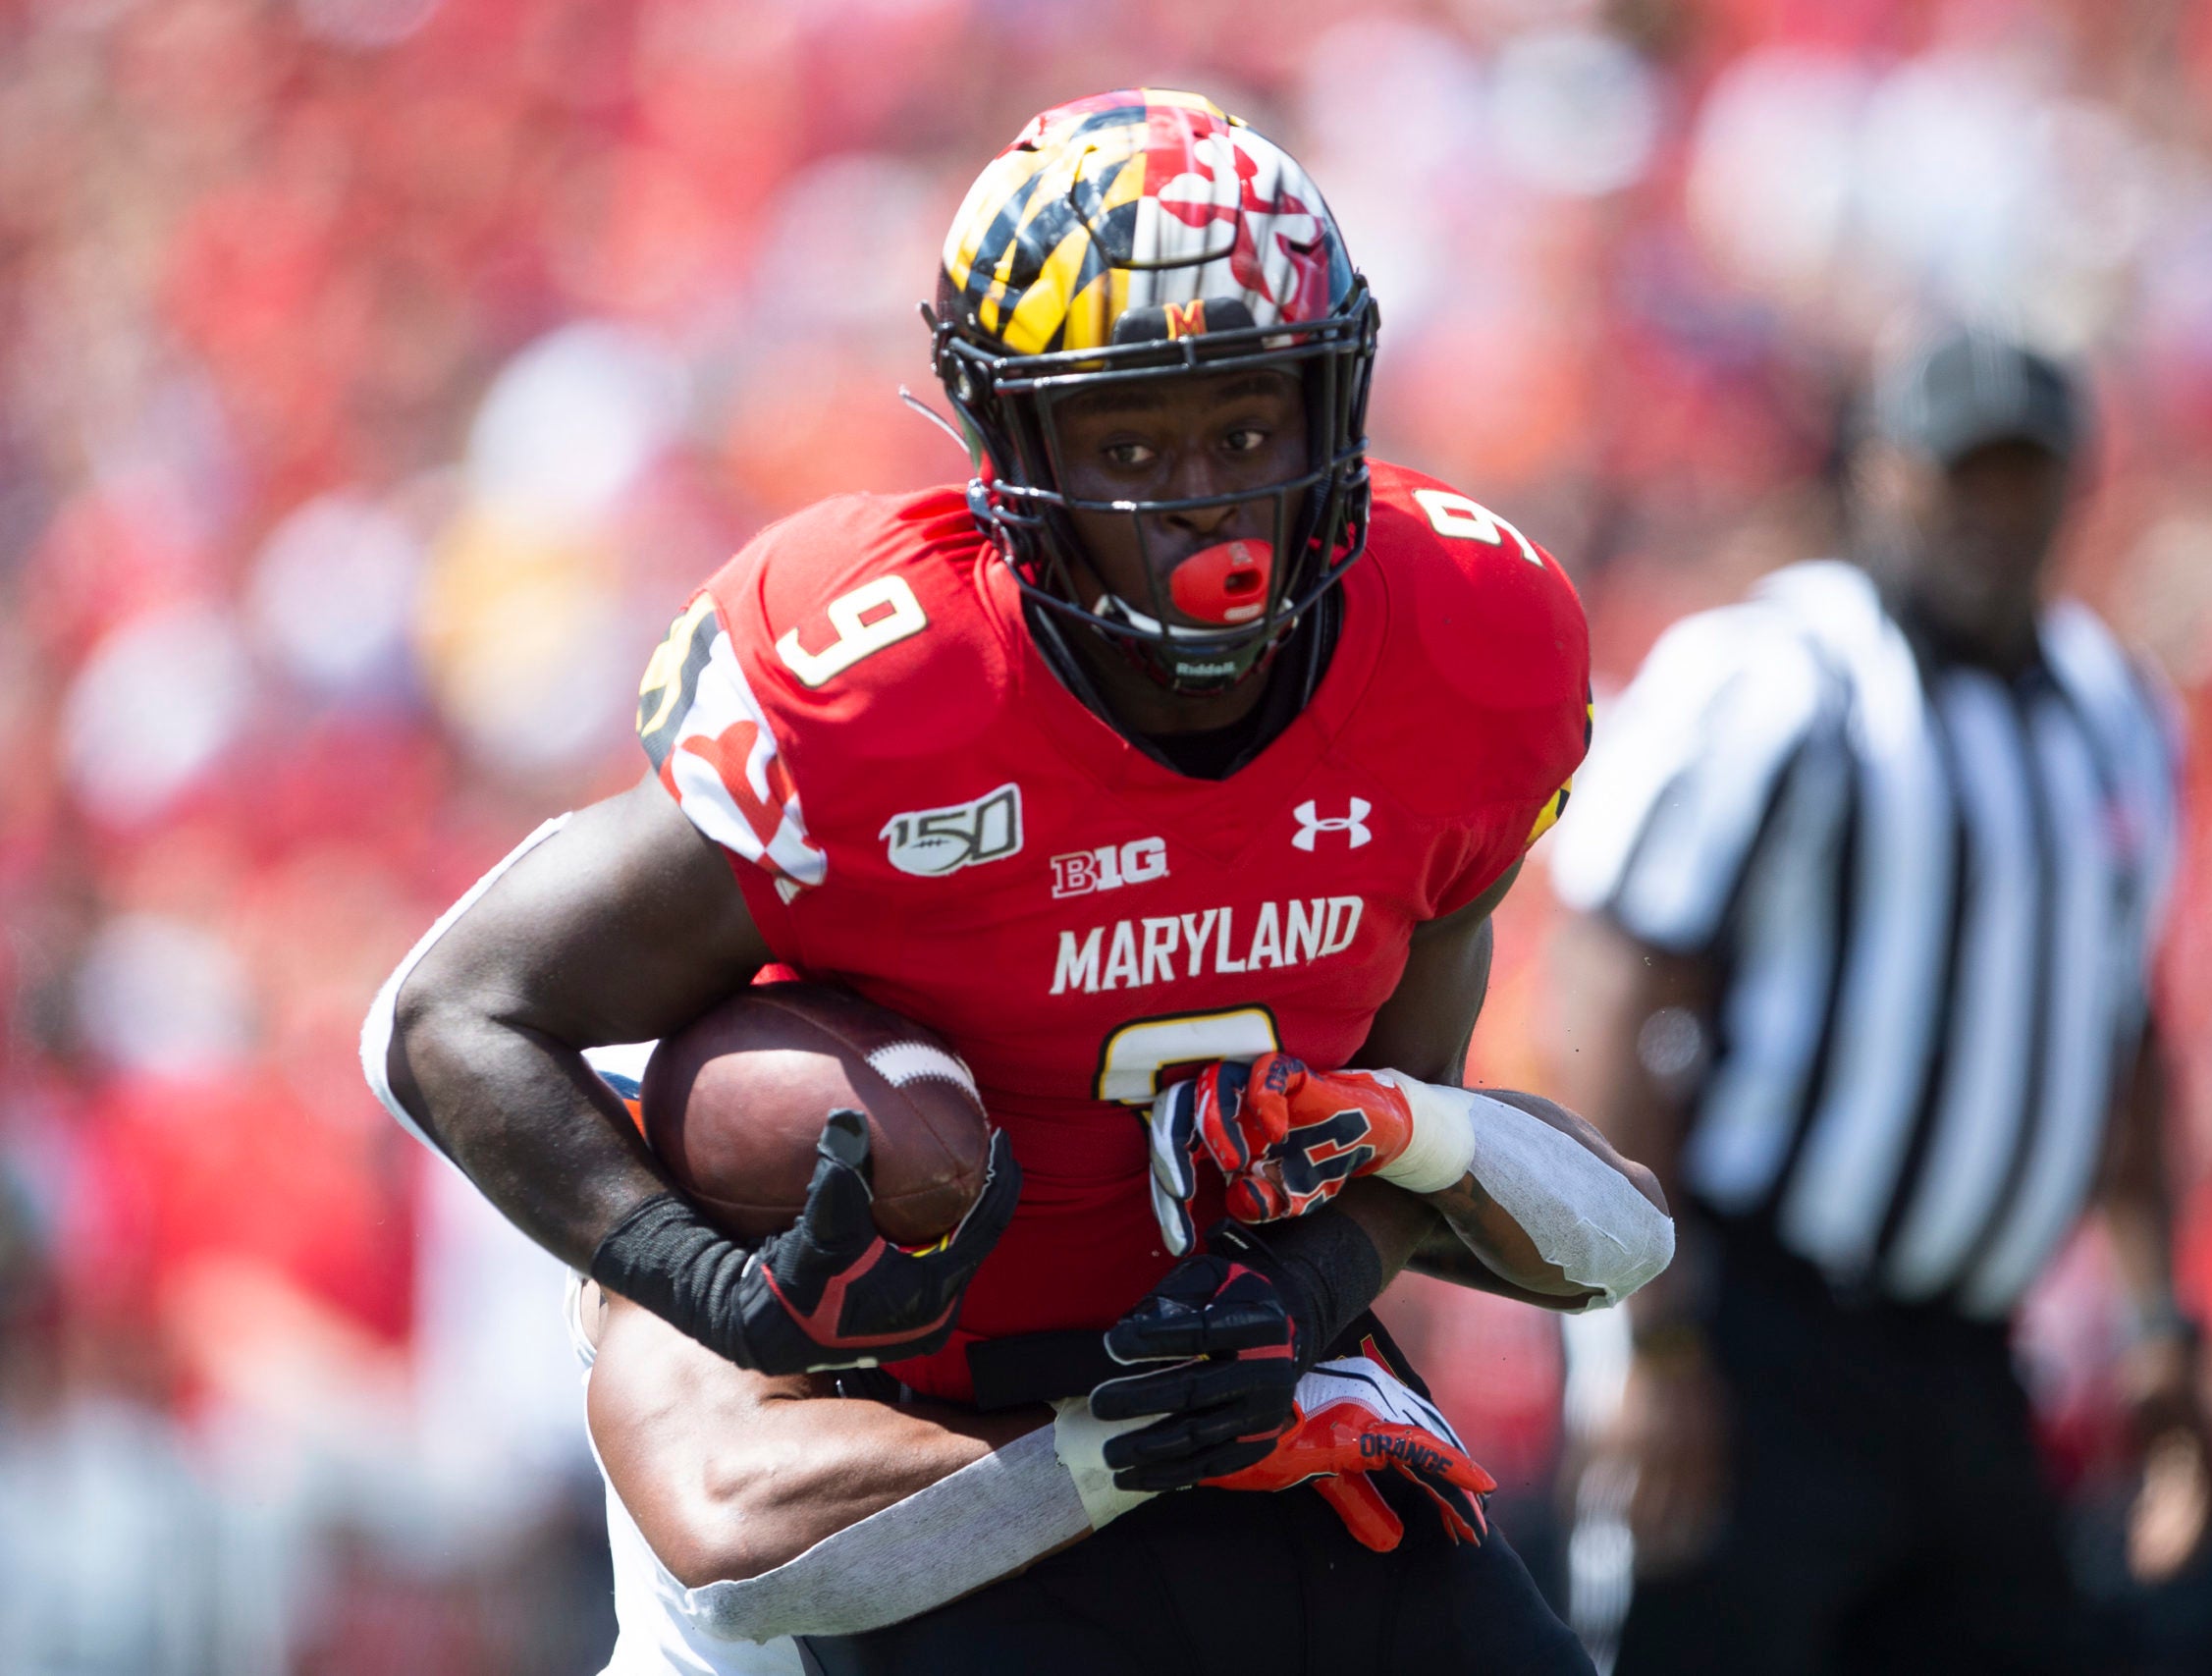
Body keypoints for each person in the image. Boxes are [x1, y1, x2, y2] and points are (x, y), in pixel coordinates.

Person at [361, 89, 1671, 1673]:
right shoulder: (876, 694)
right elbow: (455, 1014)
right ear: (1008, 444)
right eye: (1127, 439)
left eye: (1246, 426)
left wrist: (1298, 1295)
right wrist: (711, 1289)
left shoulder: (1474, 644)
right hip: (920, 1433)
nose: (1200, 496)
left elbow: (1392, 1107)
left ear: (1335, 411)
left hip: (1254, 1404)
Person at [1549, 327, 2203, 1674]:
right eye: (1962, 477)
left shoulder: (2113, 712)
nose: (1994, 517)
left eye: (2024, 481)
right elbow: (1619, 1000)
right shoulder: (1777, 679)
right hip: (1758, 1332)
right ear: (1881, 479)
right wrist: (1641, 1343)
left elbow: (2122, 1036)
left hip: (1974, 1356)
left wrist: (2156, 1319)